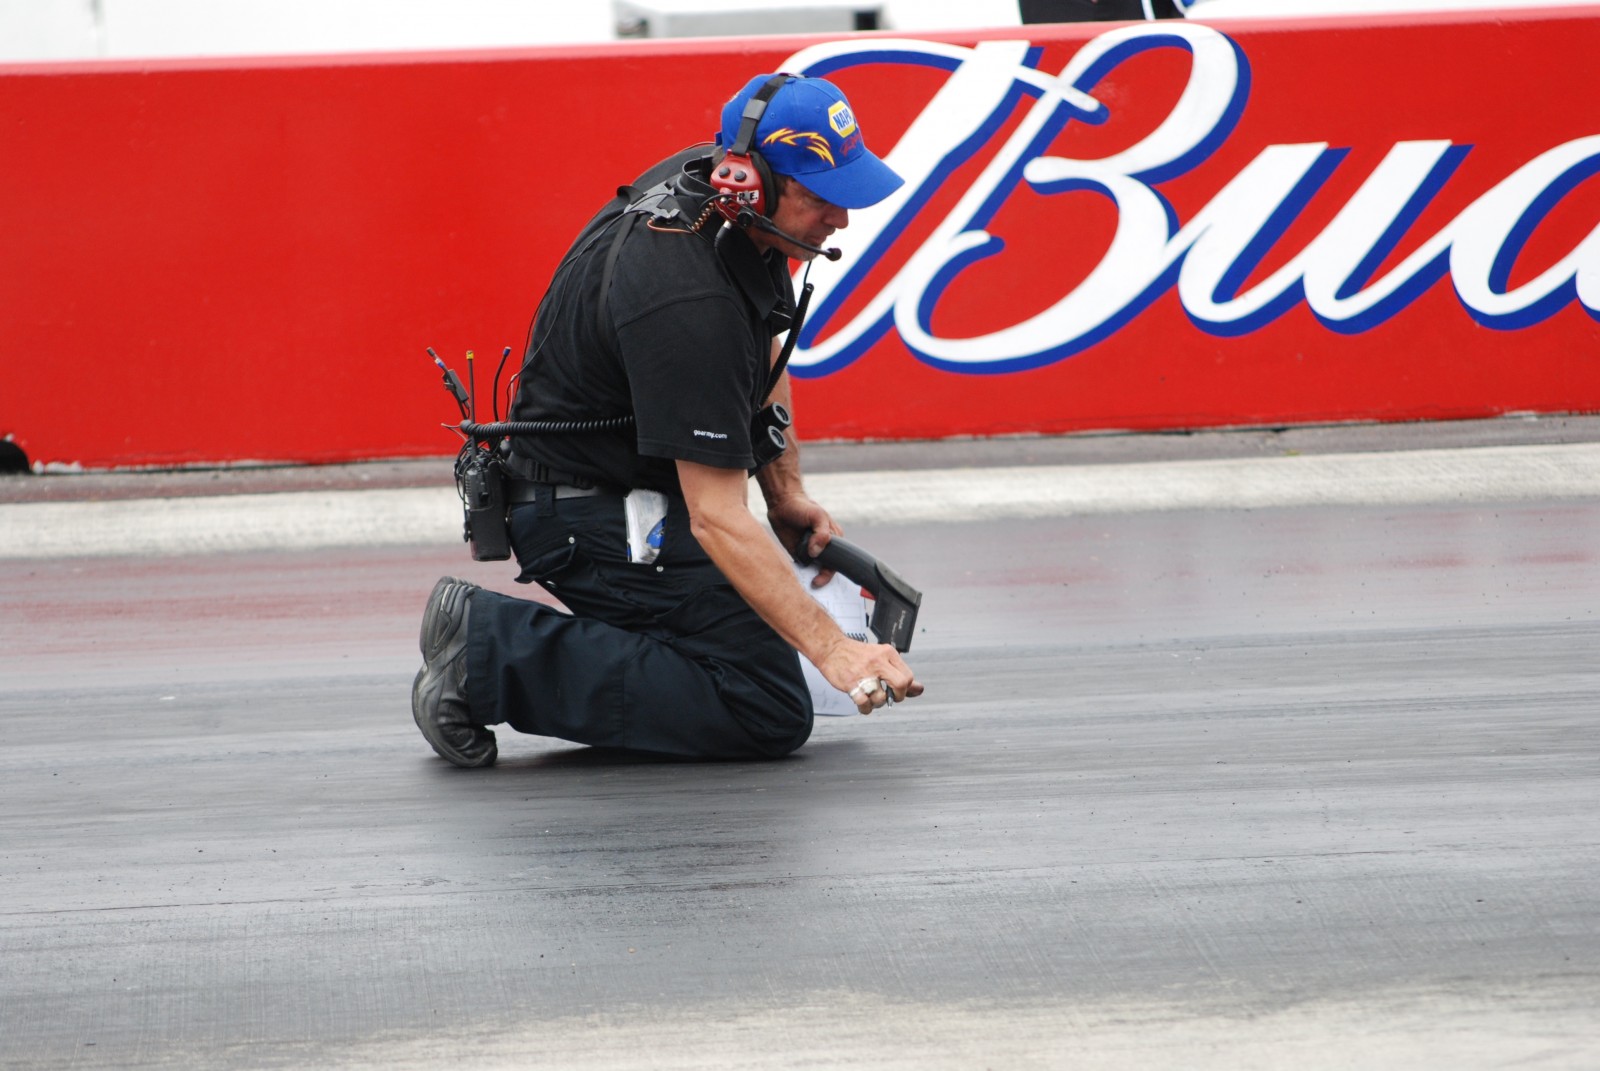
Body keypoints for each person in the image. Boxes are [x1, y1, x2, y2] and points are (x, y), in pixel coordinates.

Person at [411, 73, 924, 768]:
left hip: (628, 492)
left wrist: (784, 492)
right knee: (762, 703)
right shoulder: (688, 298)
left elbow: (764, 336)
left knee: (748, 638)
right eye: (821, 198)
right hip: (586, 515)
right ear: (750, 182)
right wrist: (835, 649)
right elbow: (716, 516)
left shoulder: (719, 200)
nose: (842, 219)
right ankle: (487, 652)